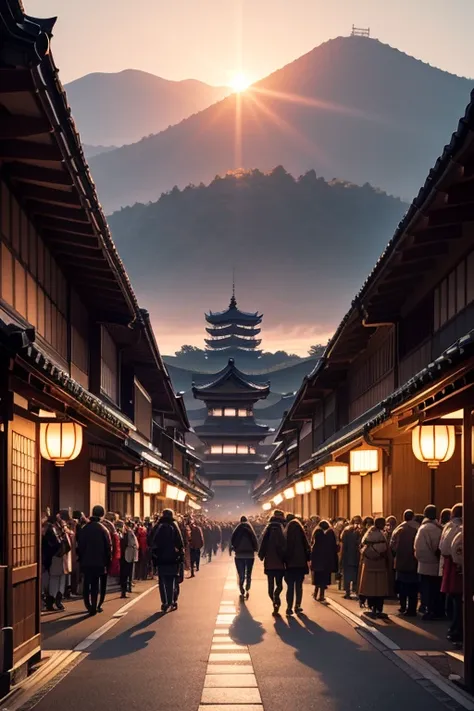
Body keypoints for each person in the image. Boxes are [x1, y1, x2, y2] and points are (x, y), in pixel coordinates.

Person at [77, 505, 112, 616]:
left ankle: (88, 605)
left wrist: (81, 558)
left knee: (87, 583)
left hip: (86, 561)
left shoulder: (85, 528)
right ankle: (95, 605)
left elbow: (80, 546)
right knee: (96, 584)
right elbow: (108, 547)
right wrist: (108, 561)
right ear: (102, 515)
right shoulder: (103, 529)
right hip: (99, 562)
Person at [151, 509, 184, 611]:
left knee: (162, 581)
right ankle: (172, 601)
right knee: (172, 580)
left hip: (160, 558)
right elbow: (180, 542)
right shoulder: (174, 525)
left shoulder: (157, 526)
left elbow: (150, 540)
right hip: (173, 558)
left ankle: (164, 602)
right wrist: (180, 554)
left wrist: (155, 554)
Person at [358, 517, 392, 619]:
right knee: (379, 589)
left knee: (370, 588)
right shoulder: (382, 536)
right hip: (380, 565)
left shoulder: (368, 534)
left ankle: (371, 606)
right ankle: (378, 608)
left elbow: (363, 549)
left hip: (368, 565)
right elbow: (385, 550)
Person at [414, 505, 443, 620]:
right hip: (437, 564)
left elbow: (419, 548)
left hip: (425, 565)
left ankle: (429, 610)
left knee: (427, 590)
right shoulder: (439, 528)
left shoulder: (423, 529)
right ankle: (438, 610)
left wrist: (419, 558)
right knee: (436, 589)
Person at [440, 504, 463, 642]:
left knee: (456, 598)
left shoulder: (451, 528)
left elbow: (444, 548)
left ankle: (456, 628)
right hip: (458, 565)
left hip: (455, 566)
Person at [390, 509, 419, 616]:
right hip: (413, 562)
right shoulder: (417, 528)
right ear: (413, 517)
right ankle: (412, 608)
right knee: (413, 587)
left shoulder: (398, 529)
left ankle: (402, 606)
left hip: (400, 563)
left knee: (402, 586)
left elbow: (392, 546)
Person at [259, 510, 286, 615]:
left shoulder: (268, 530)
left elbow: (263, 544)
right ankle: (276, 598)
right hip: (279, 563)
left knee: (270, 586)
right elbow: (285, 546)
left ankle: (274, 601)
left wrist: (261, 555)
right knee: (279, 585)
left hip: (269, 562)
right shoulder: (282, 531)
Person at [285, 515, 311, 615]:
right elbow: (307, 548)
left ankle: (289, 607)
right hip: (300, 564)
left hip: (290, 564)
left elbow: (284, 549)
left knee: (290, 587)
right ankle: (298, 605)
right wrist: (308, 560)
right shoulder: (301, 533)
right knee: (299, 586)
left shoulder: (287, 533)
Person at [231, 516, 259, 599]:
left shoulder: (237, 529)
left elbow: (232, 540)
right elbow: (255, 541)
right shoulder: (250, 529)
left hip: (239, 555)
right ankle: (248, 587)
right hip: (250, 555)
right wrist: (256, 550)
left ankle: (241, 588)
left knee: (241, 573)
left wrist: (233, 548)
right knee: (249, 572)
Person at [311, 520, 339, 602]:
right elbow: (334, 547)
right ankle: (321, 595)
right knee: (323, 579)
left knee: (317, 578)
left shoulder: (317, 533)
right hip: (327, 561)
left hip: (318, 561)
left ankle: (315, 593)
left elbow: (313, 547)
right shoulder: (330, 534)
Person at [340, 516, 362, 599]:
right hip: (357, 556)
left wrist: (341, 558)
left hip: (347, 556)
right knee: (356, 574)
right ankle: (356, 591)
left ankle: (347, 592)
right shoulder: (360, 531)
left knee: (347, 575)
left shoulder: (346, 530)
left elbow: (343, 545)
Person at [120, 521, 139, 598]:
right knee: (127, 573)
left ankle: (124, 591)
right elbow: (133, 544)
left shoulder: (123, 533)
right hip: (128, 555)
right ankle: (125, 591)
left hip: (124, 555)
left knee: (124, 574)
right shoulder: (129, 532)